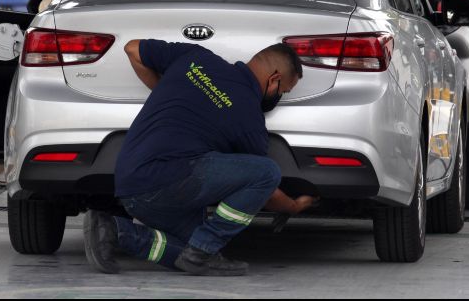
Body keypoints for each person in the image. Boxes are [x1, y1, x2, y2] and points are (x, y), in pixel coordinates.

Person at [83, 39, 316, 276]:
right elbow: (264, 188)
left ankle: (114, 230)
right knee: (268, 172)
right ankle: (200, 252)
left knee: (195, 250)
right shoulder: (249, 118)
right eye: (284, 90)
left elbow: (132, 49)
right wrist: (293, 206)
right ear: (274, 80)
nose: (280, 95)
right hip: (163, 186)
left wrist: (167, 90)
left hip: (129, 184)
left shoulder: (196, 58)